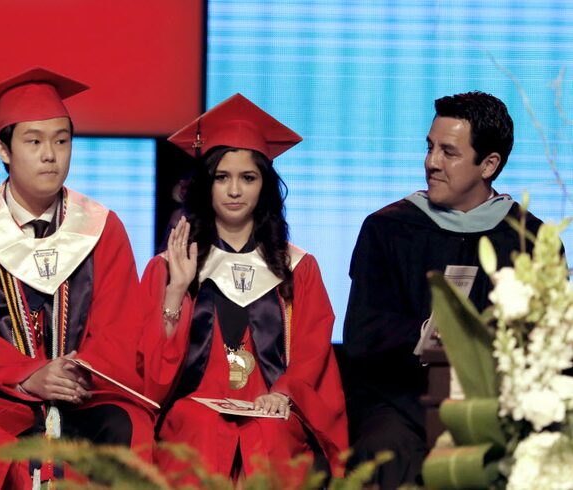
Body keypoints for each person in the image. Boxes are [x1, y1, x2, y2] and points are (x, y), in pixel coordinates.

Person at [0, 67, 154, 489]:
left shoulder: (102, 227)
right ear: (4, 151)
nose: (51, 154)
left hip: (82, 391)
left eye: (62, 141)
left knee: (130, 423)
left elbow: (121, 328)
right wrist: (26, 373)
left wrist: (74, 372)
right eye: (34, 141)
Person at [342, 91, 553, 488]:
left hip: (496, 404)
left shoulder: (530, 241)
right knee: (386, 448)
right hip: (401, 402)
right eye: (429, 147)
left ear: (488, 164)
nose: (431, 163)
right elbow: (362, 336)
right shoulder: (388, 229)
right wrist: (429, 336)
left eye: (449, 152)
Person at [140, 94, 348, 483]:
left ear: (263, 186)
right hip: (193, 406)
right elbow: (150, 374)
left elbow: (312, 352)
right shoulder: (170, 265)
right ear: (207, 185)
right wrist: (176, 291)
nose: (235, 191)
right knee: (198, 426)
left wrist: (282, 394)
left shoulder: (297, 267)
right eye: (223, 177)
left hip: (273, 406)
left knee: (269, 431)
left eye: (247, 178)